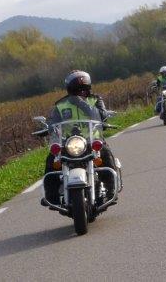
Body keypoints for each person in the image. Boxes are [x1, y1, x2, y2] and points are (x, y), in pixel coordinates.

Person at [43, 70, 118, 205]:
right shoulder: (61, 105)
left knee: (106, 154)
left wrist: (81, 103)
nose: (81, 92)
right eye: (77, 90)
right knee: (51, 160)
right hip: (69, 143)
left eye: (84, 89)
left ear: (88, 88)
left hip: (93, 140)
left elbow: (102, 116)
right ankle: (51, 196)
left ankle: (111, 190)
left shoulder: (95, 100)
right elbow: (52, 121)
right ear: (70, 90)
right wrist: (48, 128)